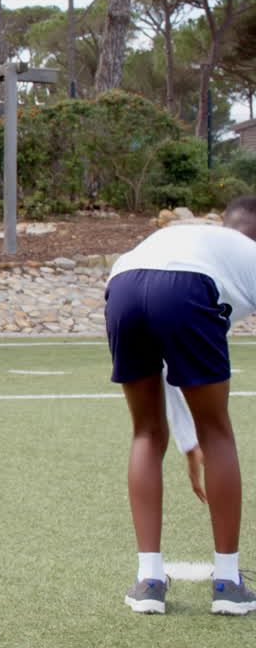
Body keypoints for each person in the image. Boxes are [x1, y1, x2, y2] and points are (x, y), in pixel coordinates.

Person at [106, 195, 256, 615]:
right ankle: (228, 584)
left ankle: (148, 581)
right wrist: (201, 439)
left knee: (146, 433)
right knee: (219, 431)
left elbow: (173, 367)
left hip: (123, 285)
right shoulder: (249, 257)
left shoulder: (195, 238)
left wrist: (189, 444)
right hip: (188, 288)